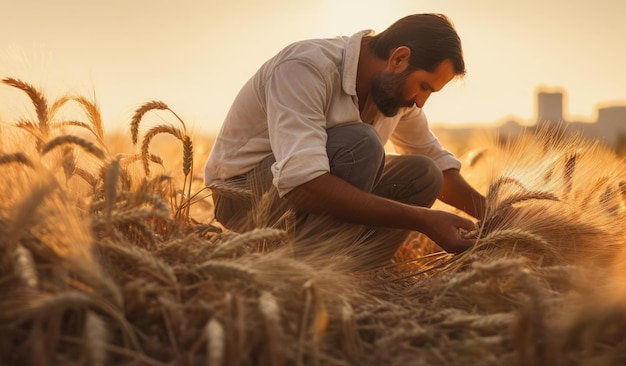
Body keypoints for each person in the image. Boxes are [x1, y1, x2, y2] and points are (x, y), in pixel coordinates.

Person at [204, 13, 486, 264]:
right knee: (361, 144)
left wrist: (494, 215)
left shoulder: (396, 95)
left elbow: (438, 163)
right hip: (242, 195)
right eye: (424, 86)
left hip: (295, 188)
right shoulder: (306, 67)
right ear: (399, 58)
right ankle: (311, 271)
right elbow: (302, 183)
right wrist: (422, 220)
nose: (421, 102)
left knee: (426, 173)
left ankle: (351, 271)